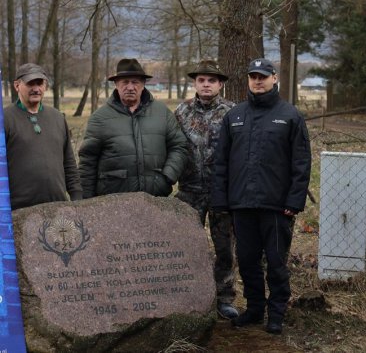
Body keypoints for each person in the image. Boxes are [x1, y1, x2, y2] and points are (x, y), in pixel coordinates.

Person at [212, 58, 311, 335]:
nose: (258, 81)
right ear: (248, 80)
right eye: (253, 76)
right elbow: (221, 162)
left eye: (263, 76)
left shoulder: (290, 116)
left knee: (277, 264)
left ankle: (276, 313)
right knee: (247, 261)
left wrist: (294, 201)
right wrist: (221, 201)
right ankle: (255, 309)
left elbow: (301, 163)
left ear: (274, 78)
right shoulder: (235, 116)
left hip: (277, 207)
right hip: (242, 205)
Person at [174, 59, 238, 320]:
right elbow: (173, 147)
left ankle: (224, 297)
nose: (206, 84)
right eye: (201, 80)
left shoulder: (233, 113)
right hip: (190, 189)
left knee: (224, 246)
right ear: (195, 84)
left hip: (221, 190)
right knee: (187, 244)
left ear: (220, 84)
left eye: (211, 80)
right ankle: (188, 294)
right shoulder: (182, 112)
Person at [79, 58, 187, 198]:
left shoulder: (162, 113)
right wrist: (86, 202)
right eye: (125, 82)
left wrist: (167, 176)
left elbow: (179, 146)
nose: (130, 87)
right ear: (116, 84)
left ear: (143, 85)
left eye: (135, 82)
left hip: (155, 200)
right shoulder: (100, 118)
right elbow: (88, 162)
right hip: (113, 203)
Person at [4, 63, 83, 209]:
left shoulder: (58, 117)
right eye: (30, 83)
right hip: (19, 211)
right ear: (16, 86)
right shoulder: (5, 119)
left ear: (45, 86)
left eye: (39, 83)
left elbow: (69, 163)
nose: (36, 88)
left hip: (58, 207)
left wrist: (77, 197)